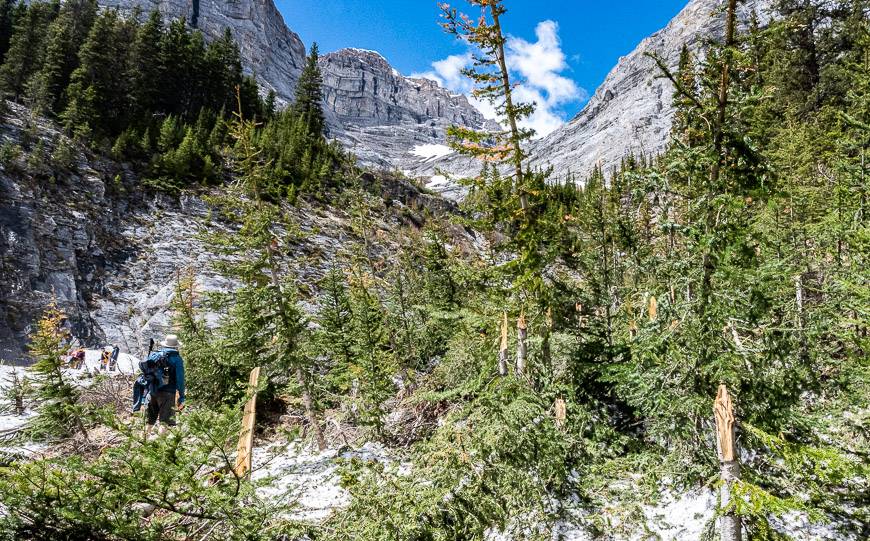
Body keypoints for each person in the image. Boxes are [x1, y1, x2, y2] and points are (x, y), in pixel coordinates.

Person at [145, 334, 186, 435]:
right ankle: (161, 447)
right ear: (176, 346)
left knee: (149, 420)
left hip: (152, 391)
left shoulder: (154, 355)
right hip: (167, 393)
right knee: (165, 422)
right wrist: (181, 396)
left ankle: (142, 442)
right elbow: (180, 379)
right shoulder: (177, 358)